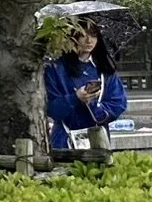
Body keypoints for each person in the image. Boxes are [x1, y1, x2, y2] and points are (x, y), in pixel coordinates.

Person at [43, 22, 128, 150]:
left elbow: (118, 103)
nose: (89, 40)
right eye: (82, 35)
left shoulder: (104, 69)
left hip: (98, 138)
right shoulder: (55, 68)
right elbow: (51, 107)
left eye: (93, 35)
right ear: (71, 37)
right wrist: (75, 98)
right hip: (64, 139)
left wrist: (94, 105)